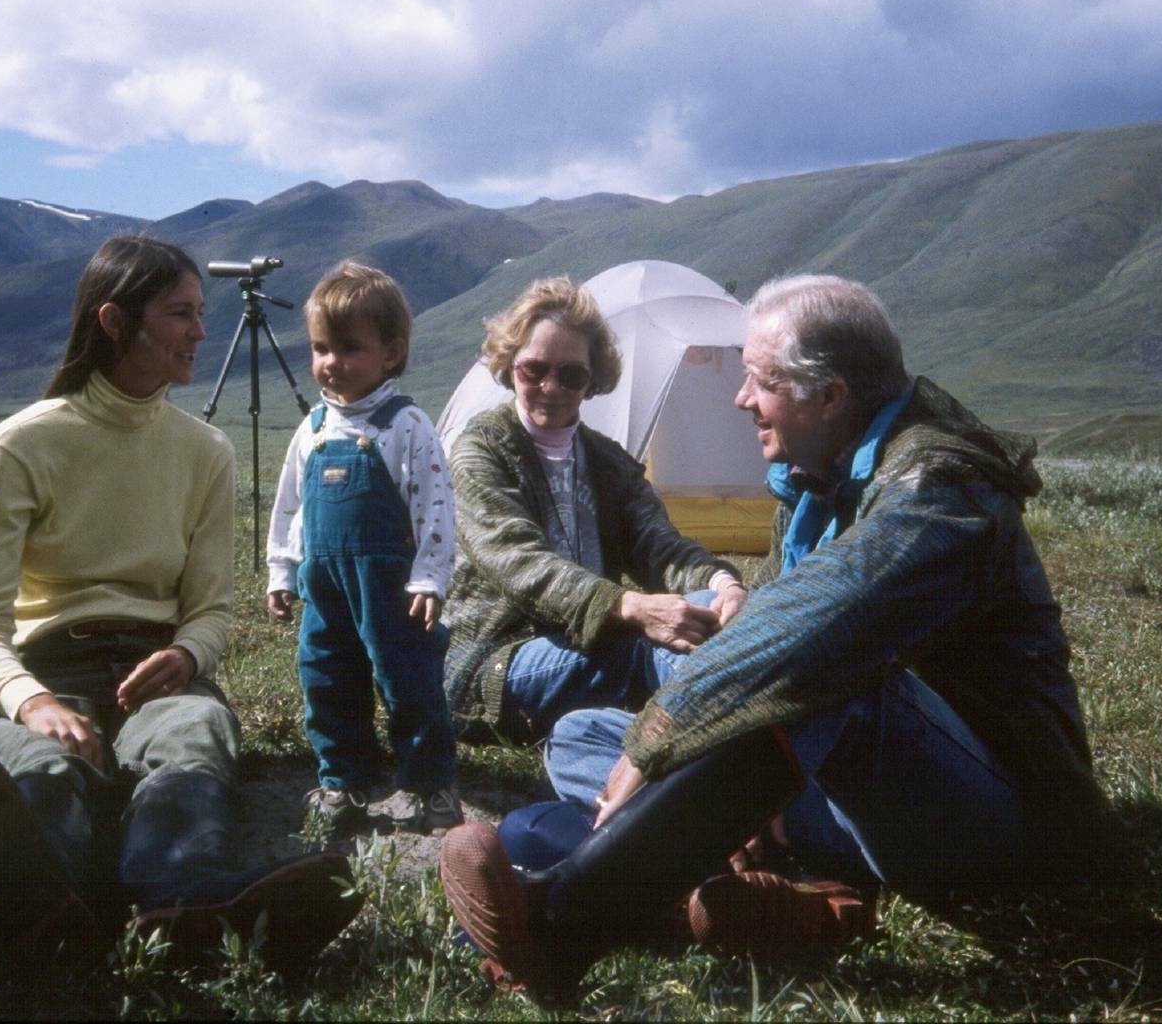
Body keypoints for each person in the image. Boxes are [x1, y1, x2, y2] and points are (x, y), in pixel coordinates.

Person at [440, 273, 1105, 1005]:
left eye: (758, 381)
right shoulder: (819, 477)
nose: (739, 398)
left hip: (996, 822)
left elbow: (817, 629)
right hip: (857, 789)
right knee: (579, 734)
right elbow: (520, 560)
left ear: (829, 396)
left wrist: (667, 730)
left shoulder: (937, 489)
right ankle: (789, 896)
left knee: (835, 674)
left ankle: (565, 921)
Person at [0, 236, 362, 972]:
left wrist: (187, 655)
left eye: (200, 313)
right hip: (45, 669)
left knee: (193, 732)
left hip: (159, 666)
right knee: (46, 765)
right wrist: (31, 704)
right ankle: (44, 899)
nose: (200, 332)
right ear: (117, 322)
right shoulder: (21, 444)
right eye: (181, 314)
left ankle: (176, 899)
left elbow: (211, 609)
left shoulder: (206, 451)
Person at [443, 276, 747, 748]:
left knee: (709, 611)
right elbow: (519, 562)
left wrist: (723, 586)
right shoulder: (480, 449)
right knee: (645, 647)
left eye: (570, 375)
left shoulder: (606, 461)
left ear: (592, 379)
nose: (550, 387)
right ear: (509, 368)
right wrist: (629, 606)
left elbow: (658, 546)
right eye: (534, 370)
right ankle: (740, 745)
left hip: (591, 642)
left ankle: (735, 740)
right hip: (497, 661)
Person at [266, 260, 461, 837]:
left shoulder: (406, 425)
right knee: (324, 675)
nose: (331, 362)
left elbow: (436, 506)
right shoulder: (314, 428)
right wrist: (282, 569)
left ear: (391, 353)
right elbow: (290, 506)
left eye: (350, 348)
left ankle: (431, 785)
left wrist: (429, 577)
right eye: (321, 347)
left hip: (391, 588)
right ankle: (345, 778)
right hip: (324, 587)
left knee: (407, 681)